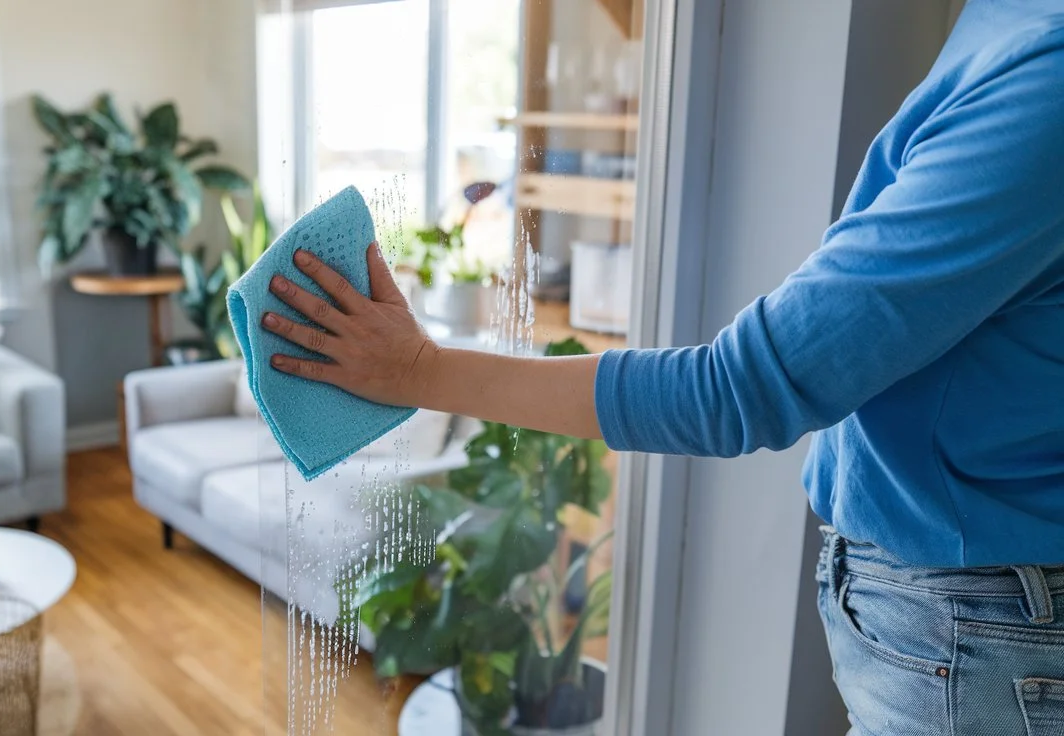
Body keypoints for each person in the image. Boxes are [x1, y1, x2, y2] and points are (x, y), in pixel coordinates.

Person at [260, 2, 1064, 734]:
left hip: (979, 645)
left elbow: (735, 389)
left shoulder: (1045, 85)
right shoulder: (1002, 26)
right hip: (951, 623)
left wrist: (416, 371)